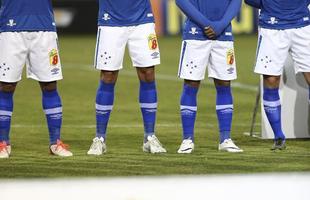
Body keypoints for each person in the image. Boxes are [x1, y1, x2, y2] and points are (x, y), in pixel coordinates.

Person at [87, 0, 167, 155]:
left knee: (148, 73)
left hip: (142, 18)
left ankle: (149, 136)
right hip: (110, 19)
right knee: (108, 75)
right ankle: (100, 138)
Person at [0, 0, 73, 158]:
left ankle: (55, 142)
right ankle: (2, 142)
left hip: (44, 28)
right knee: (6, 86)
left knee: (49, 85)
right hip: (10, 28)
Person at [175, 0, 243, 153]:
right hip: (195, 34)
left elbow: (236, 1)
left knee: (224, 84)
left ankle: (225, 139)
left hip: (223, 34)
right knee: (191, 84)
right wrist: (207, 24)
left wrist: (220, 25)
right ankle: (187, 139)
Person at [245, 0, 310, 150]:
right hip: (272, 27)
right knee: (271, 80)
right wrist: (268, 5)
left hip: (303, 25)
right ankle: (278, 135)